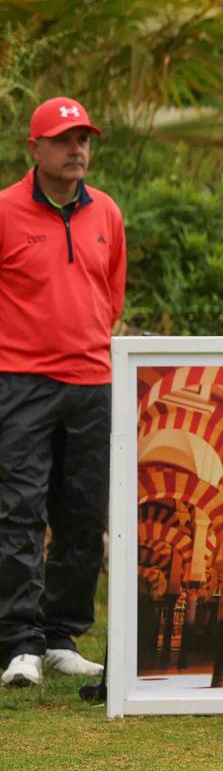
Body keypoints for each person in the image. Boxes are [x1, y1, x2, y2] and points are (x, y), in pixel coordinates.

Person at [1, 97, 126, 687]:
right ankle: (19, 642)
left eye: (84, 139)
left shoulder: (107, 213)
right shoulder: (3, 211)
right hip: (20, 382)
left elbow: (112, 295)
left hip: (92, 381)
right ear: (36, 148)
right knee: (18, 511)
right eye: (65, 140)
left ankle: (61, 636)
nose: (78, 150)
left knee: (81, 516)